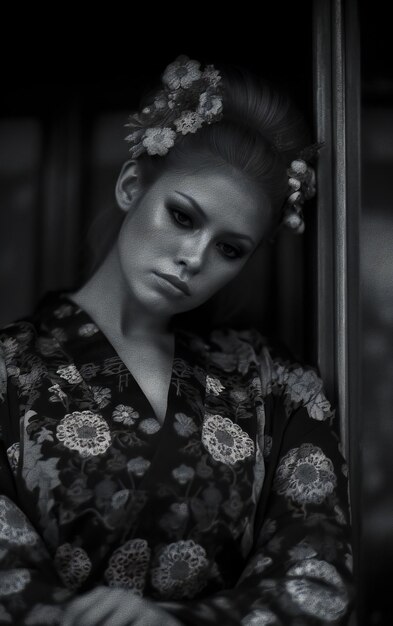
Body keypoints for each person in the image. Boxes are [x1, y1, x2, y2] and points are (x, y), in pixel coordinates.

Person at [0, 55, 354, 625]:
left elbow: (317, 575)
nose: (194, 258)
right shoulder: (9, 371)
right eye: (184, 217)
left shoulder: (275, 386)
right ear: (132, 186)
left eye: (230, 249)